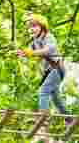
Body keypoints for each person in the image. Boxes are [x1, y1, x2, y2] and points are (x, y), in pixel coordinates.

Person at [17, 12, 72, 143]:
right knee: (55, 98)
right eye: (30, 27)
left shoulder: (49, 37)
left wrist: (31, 52)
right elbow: (29, 52)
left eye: (34, 26)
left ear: (41, 26)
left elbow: (49, 50)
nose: (32, 29)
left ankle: (43, 124)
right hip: (49, 72)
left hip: (57, 69)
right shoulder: (34, 42)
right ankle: (69, 119)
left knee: (43, 91)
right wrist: (22, 53)